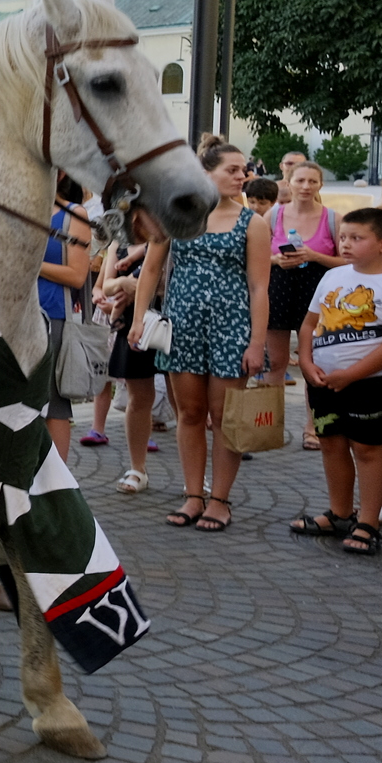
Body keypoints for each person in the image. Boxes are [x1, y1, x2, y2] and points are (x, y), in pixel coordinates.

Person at [131, 136, 272, 533]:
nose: (242, 176)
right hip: (184, 326)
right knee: (190, 414)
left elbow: (260, 287)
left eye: (244, 169)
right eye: (232, 169)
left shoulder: (253, 223)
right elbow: (152, 270)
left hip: (232, 329)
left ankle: (220, 500)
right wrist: (140, 319)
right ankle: (193, 495)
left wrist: (257, 342)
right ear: (205, 174)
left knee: (225, 419)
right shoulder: (178, 215)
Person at [288, 208, 382, 555]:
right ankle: (339, 513)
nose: (346, 244)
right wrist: (305, 362)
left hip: (371, 383)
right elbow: (308, 325)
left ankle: (368, 522)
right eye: (344, 238)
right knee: (331, 444)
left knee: (367, 450)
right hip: (324, 382)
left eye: (356, 238)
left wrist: (352, 374)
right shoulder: (333, 277)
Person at [266, 162, 343, 448]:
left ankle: (313, 426)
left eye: (312, 181)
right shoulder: (273, 215)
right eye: (300, 180)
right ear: (288, 181)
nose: (306, 186)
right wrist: (276, 260)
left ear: (320, 185)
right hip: (280, 288)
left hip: (318, 292)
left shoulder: (333, 218)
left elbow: (348, 261)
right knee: (275, 362)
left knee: (313, 362)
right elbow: (255, 255)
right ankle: (270, 426)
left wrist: (315, 256)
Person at [92, 239, 164, 492]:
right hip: (132, 324)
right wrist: (124, 283)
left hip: (167, 318)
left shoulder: (169, 234)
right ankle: (137, 469)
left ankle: (197, 479)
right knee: (139, 397)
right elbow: (106, 284)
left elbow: (164, 276)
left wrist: (146, 287)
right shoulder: (118, 244)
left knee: (182, 401)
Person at [39, 175, 91, 460]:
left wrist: (32, 263)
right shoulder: (21, 207)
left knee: (55, 406)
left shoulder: (74, 214)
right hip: (16, 318)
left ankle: (57, 484)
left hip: (54, 318)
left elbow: (77, 275)